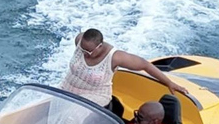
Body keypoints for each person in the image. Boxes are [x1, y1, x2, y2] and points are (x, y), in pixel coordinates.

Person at [60, 28, 188, 108]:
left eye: (89, 51)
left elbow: (145, 64)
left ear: (99, 46)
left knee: (72, 117)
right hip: (68, 88)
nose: (84, 53)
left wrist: (169, 83)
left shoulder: (115, 57)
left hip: (94, 94)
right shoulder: (80, 41)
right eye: (82, 49)